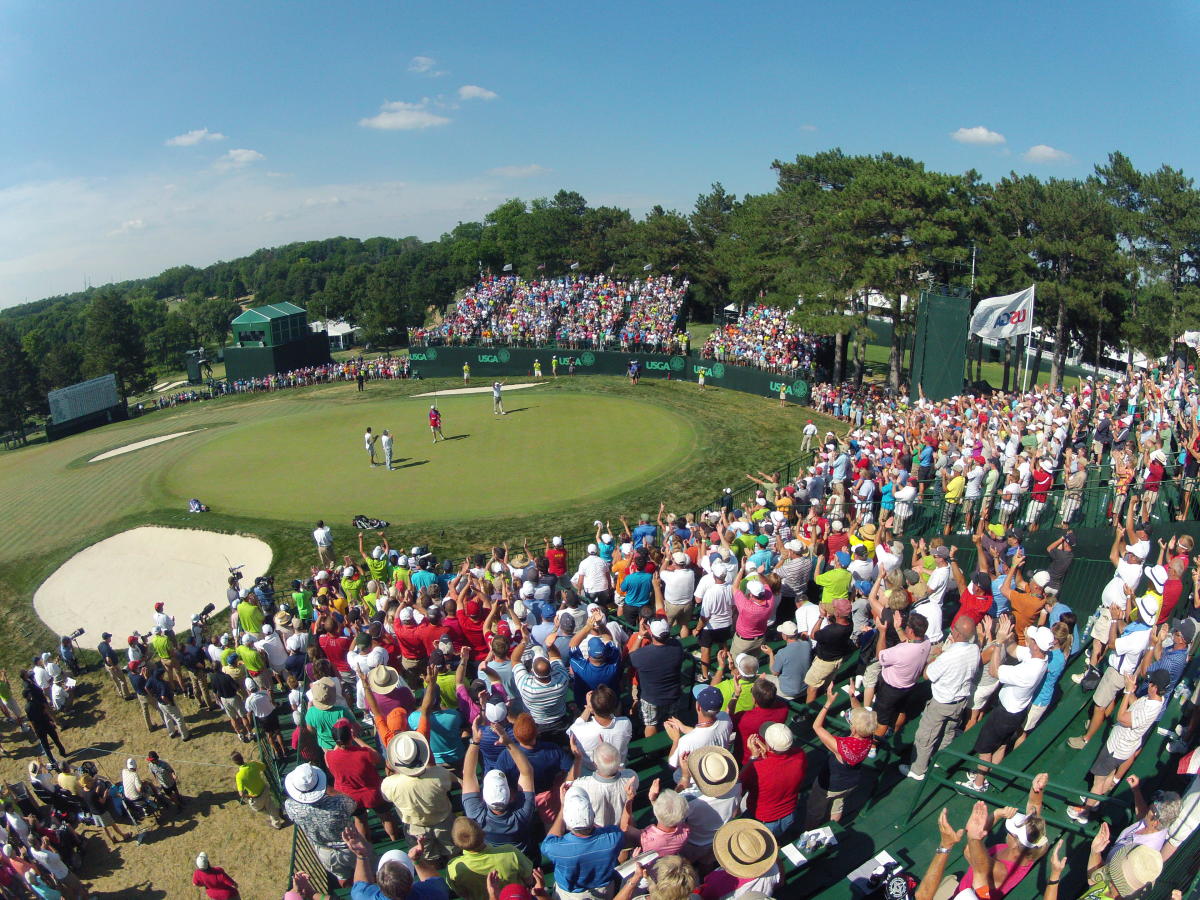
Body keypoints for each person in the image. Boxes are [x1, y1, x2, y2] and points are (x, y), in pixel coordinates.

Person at [902, 616, 980, 781]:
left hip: (942, 702)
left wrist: (937, 656)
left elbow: (926, 674)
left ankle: (917, 770)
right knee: (948, 731)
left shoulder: (948, 657)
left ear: (957, 634)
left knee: (925, 736)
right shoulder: (974, 650)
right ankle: (938, 759)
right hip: (960, 701)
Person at [541, 783, 629, 900]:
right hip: (605, 892)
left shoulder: (555, 848)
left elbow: (550, 839)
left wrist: (563, 807)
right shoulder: (613, 838)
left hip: (568, 895)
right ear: (592, 814)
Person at [806, 684, 876, 827]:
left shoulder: (842, 747)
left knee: (815, 810)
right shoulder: (869, 735)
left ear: (854, 729)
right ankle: (833, 827)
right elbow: (860, 715)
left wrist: (828, 703)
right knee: (838, 806)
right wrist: (852, 696)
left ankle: (809, 830)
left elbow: (817, 727)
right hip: (850, 782)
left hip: (830, 785)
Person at [284, 762, 358, 886]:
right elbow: (353, 804)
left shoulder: (290, 806)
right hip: (350, 846)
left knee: (342, 876)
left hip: (324, 851)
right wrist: (331, 791)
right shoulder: (339, 802)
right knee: (367, 868)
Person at [341, 824, 450, 900]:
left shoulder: (363, 896)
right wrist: (417, 860)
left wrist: (361, 856)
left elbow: (361, 885)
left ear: (379, 883)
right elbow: (435, 881)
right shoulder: (433, 892)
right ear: (411, 880)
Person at [741, 723, 806, 838]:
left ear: (770, 746)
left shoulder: (757, 768)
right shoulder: (800, 756)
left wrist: (753, 758)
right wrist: (767, 754)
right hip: (789, 814)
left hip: (764, 820)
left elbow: (739, 783)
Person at [232, 751, 288, 829]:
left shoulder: (239, 776)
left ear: (235, 763)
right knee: (271, 806)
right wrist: (254, 763)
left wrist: (248, 796)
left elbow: (241, 794)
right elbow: (263, 767)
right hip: (265, 789)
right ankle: (276, 816)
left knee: (259, 809)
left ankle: (276, 822)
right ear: (242, 757)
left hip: (256, 797)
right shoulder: (253, 764)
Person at [97, 632, 131, 700]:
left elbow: (99, 650)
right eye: (109, 637)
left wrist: (104, 658)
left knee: (116, 680)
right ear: (107, 638)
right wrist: (114, 667)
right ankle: (126, 696)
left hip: (107, 666)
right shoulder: (107, 648)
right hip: (114, 666)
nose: (110, 638)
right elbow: (108, 659)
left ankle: (120, 693)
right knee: (122, 680)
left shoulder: (101, 645)